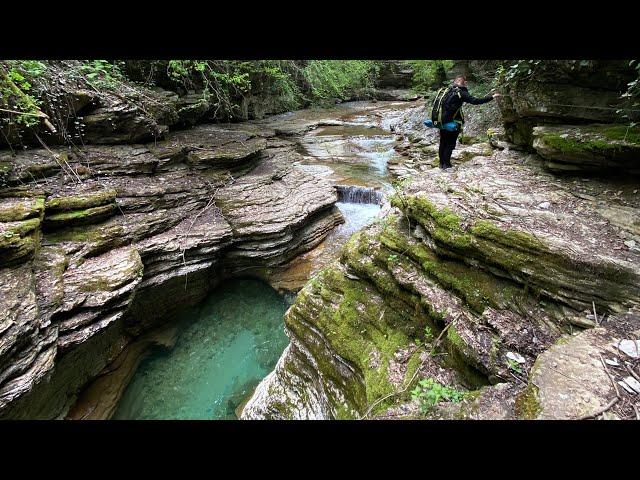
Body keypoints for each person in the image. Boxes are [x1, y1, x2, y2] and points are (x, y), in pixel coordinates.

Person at [438, 76, 500, 169]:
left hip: (441, 120)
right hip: (454, 121)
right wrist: (492, 97)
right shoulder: (461, 93)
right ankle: (446, 165)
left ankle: (441, 163)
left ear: (455, 81)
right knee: (450, 143)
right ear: (465, 83)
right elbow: (475, 101)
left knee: (443, 142)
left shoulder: (447, 91)